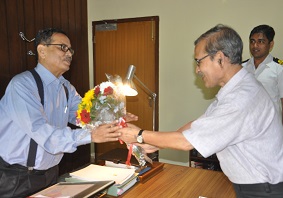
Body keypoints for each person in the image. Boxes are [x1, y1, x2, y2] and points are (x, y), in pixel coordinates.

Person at [118, 24, 283, 197]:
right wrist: (153, 143)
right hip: (255, 186)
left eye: (199, 61)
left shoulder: (241, 98)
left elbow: (186, 142)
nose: (197, 69)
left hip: (264, 190)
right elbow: (196, 126)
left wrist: (139, 134)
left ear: (219, 58)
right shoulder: (236, 88)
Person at [0, 28, 136, 198]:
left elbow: (86, 116)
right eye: (62, 47)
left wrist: (115, 118)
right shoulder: (22, 85)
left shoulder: (66, 88)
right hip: (17, 177)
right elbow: (42, 132)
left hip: (50, 173)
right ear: (42, 51)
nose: (69, 54)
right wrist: (91, 136)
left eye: (70, 49)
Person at [242, 25, 283, 124]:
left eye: (261, 41)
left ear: (271, 44)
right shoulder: (241, 68)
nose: (255, 45)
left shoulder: (279, 69)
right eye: (252, 41)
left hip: (271, 128)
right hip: (246, 127)